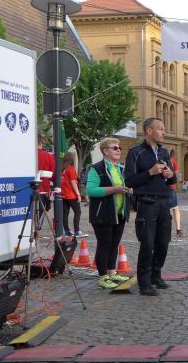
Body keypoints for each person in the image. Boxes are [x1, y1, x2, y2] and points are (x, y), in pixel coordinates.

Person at [124, 117, 176, 296]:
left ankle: (156, 275)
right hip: (147, 203)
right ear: (149, 131)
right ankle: (144, 282)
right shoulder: (135, 152)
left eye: (163, 129)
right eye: (160, 129)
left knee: (163, 242)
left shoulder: (163, 152)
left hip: (164, 202)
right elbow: (129, 181)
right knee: (147, 243)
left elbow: (173, 179)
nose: (164, 132)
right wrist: (150, 172)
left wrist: (171, 175)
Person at [86, 138, 132, 289]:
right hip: (102, 213)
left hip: (119, 213)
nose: (119, 150)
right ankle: (103, 277)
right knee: (104, 245)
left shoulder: (121, 168)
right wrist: (114, 189)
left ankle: (112, 272)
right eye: (115, 148)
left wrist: (130, 190)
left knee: (114, 244)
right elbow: (91, 190)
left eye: (119, 148)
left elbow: (127, 185)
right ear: (105, 151)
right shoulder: (96, 168)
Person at [60, 151, 84, 237]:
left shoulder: (62, 169)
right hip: (71, 195)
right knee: (77, 212)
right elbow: (73, 182)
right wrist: (78, 194)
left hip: (63, 195)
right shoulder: (71, 168)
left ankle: (67, 231)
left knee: (65, 214)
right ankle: (77, 230)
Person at [36, 134, 55, 229]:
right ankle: (36, 235)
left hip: (28, 190)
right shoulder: (48, 156)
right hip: (44, 191)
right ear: (41, 142)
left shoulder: (27, 154)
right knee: (39, 221)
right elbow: (53, 175)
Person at [169, 149, 183, 238]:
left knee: (163, 209)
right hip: (171, 188)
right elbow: (177, 176)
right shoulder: (173, 162)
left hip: (161, 189)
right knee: (175, 208)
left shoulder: (160, 161)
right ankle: (178, 229)